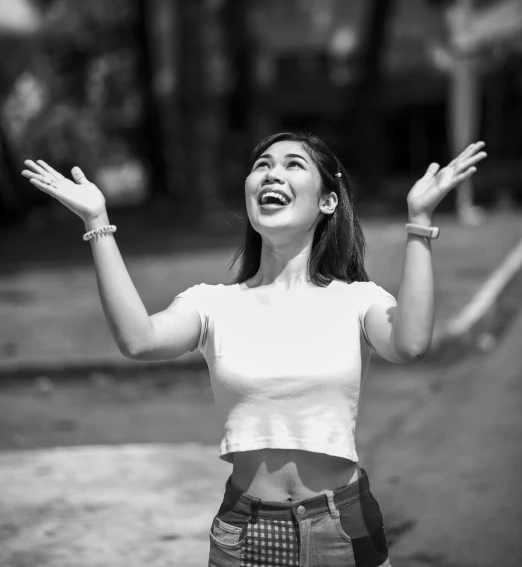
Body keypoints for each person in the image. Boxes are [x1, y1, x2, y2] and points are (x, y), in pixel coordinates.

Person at [21, 130, 487, 566]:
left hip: (343, 524)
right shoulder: (211, 303)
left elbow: (409, 345)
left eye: (292, 164)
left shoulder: (358, 299)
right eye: (262, 164)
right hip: (244, 531)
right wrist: (97, 221)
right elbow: (138, 340)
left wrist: (419, 222)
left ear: (328, 200)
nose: (272, 173)